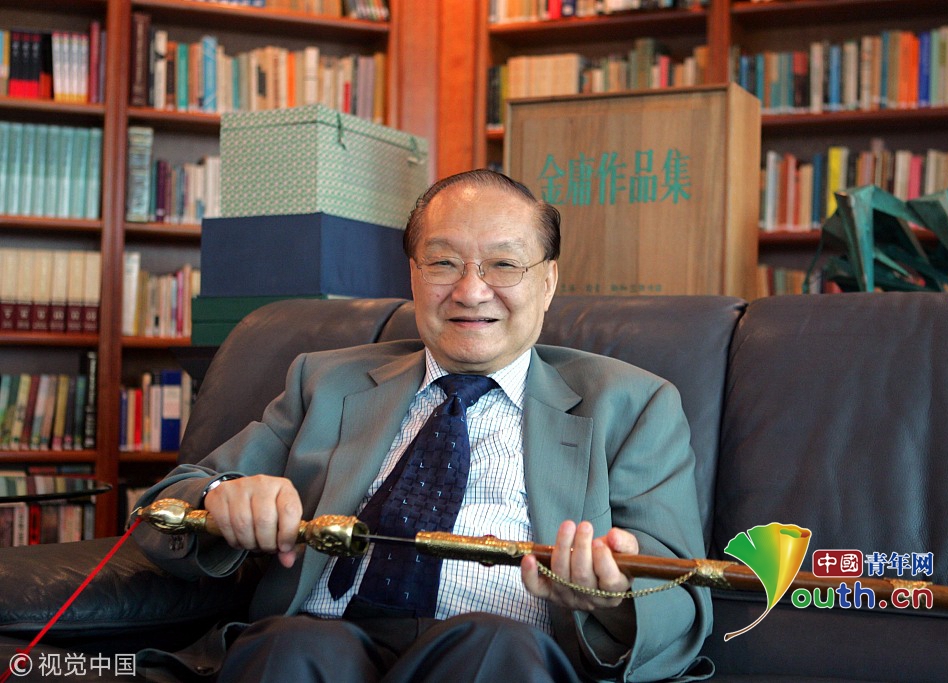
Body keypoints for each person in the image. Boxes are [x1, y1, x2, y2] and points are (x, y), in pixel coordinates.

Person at [134, 169, 712, 682]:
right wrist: (223, 496)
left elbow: (682, 597)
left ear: (548, 282)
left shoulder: (632, 405)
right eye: (443, 263)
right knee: (291, 646)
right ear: (413, 275)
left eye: (504, 264)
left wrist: (615, 595)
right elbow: (163, 508)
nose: (470, 291)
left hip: (502, 651)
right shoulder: (325, 382)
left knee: (492, 645)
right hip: (324, 638)